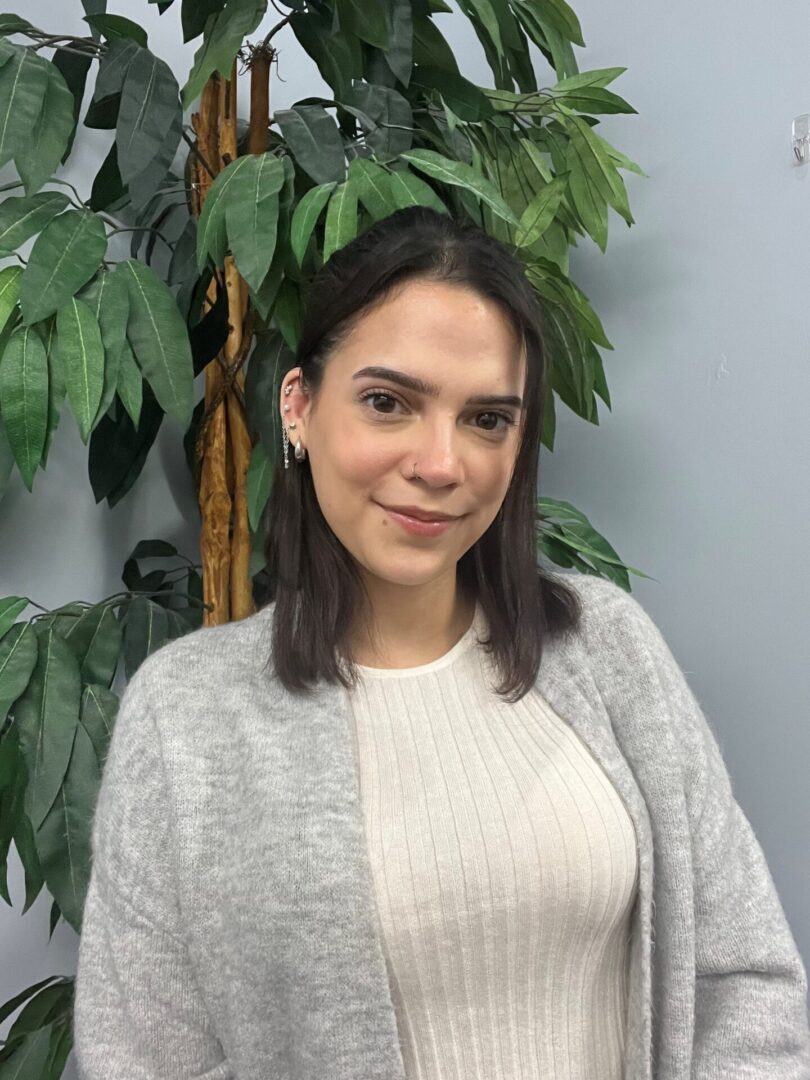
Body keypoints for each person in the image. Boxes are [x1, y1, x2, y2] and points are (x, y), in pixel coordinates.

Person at [72, 205, 810, 1079]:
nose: (441, 463)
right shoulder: (185, 717)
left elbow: (745, 979)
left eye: (487, 419)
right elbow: (143, 1061)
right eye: (388, 403)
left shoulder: (608, 644)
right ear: (299, 407)